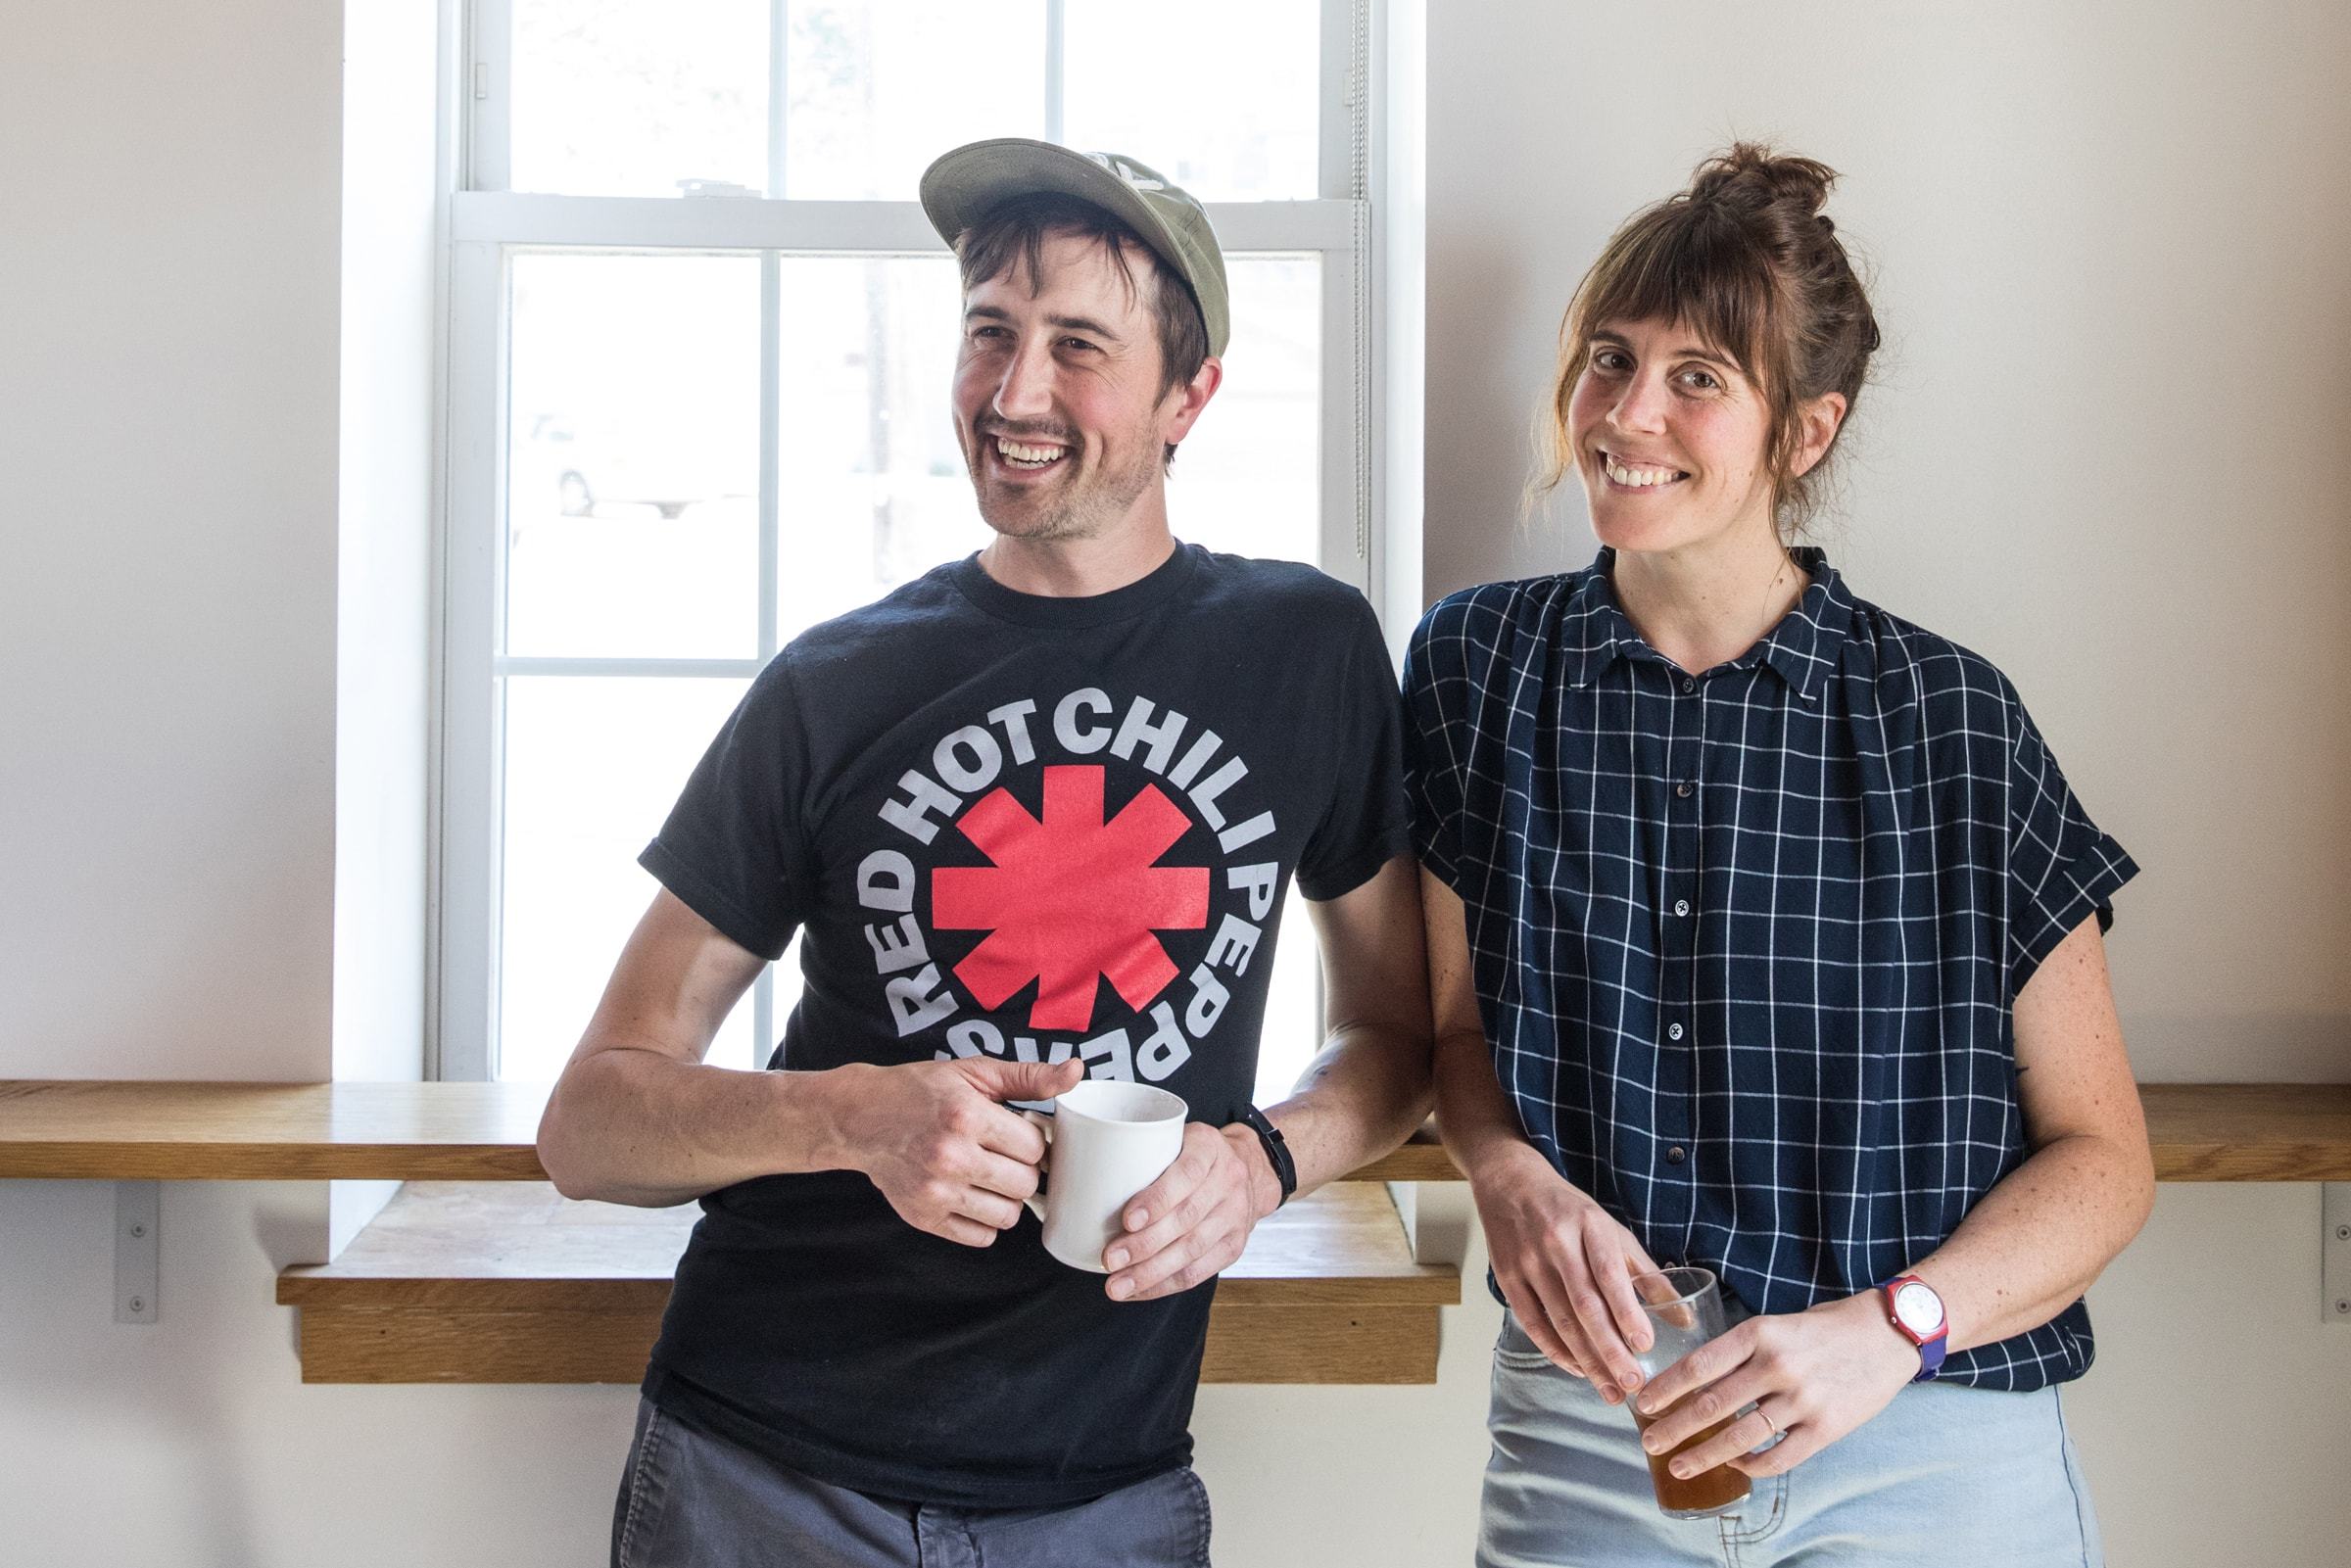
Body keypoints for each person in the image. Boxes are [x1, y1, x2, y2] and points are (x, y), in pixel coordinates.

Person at [538, 137, 1432, 1568]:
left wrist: (1263, 1161)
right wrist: (850, 1118)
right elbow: (591, 1121)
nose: (1015, 395)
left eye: (1079, 345)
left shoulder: (1307, 653)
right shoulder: (835, 685)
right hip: (765, 1469)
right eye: (988, 335)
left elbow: (1399, 1034)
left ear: (1189, 395)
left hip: (1106, 1493)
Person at [1406, 145, 2154, 1566]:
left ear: (1805, 433)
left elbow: (2106, 1159)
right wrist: (1505, 1174)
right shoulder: (1474, 671)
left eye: (1700, 377)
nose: (1627, 414)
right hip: (1600, 1423)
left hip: (1927, 1436)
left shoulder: (1955, 722)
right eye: (1610, 357)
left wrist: (1895, 1328)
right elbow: (1452, 1034)